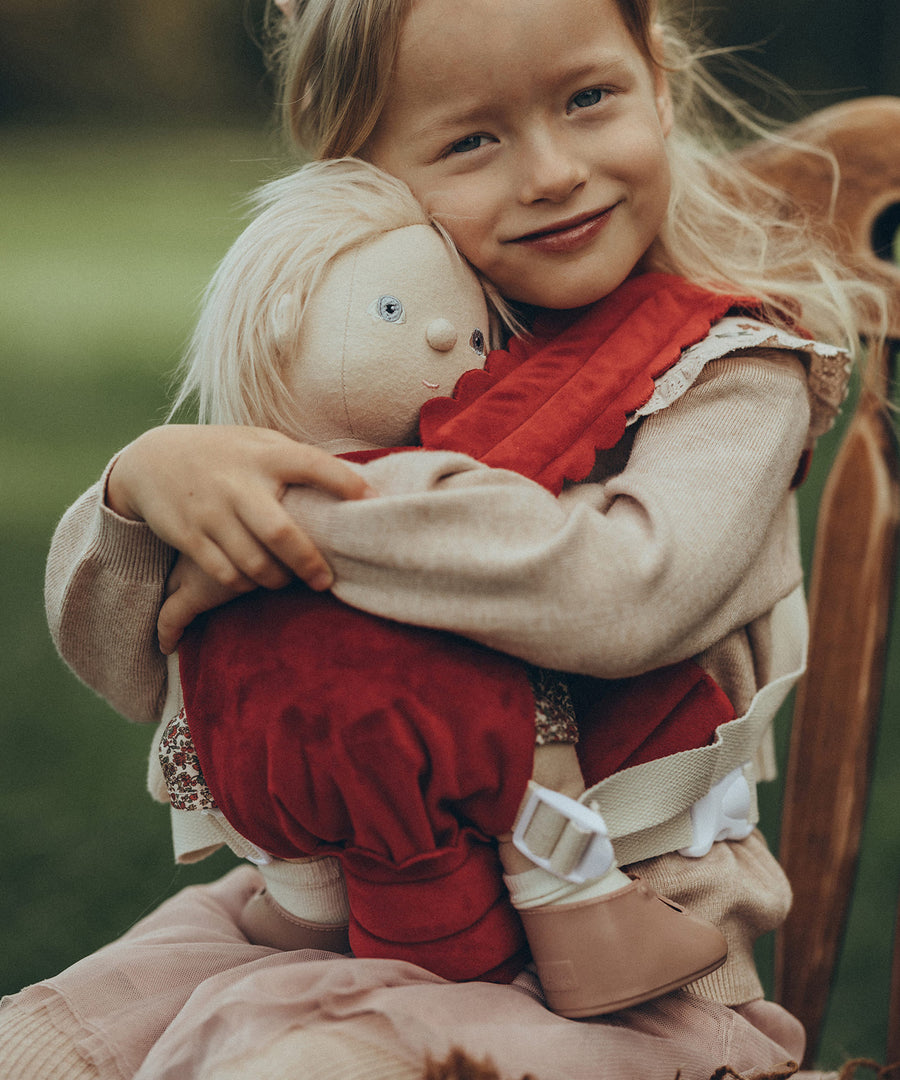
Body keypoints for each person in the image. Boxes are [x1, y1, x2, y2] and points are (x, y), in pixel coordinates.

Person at [4, 0, 886, 1075]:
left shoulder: (733, 375)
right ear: (365, 179)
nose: (553, 170)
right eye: (473, 139)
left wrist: (304, 508)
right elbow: (129, 660)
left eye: (588, 98)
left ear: (658, 81)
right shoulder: (382, 358)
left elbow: (623, 593)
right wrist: (141, 495)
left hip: (624, 975)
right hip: (324, 920)